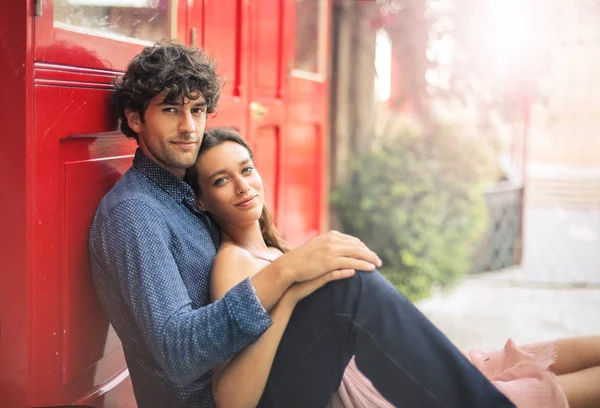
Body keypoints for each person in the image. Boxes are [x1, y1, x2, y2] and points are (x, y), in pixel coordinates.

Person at [89, 41, 515, 407]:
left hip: (259, 371)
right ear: (135, 118)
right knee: (349, 291)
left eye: (198, 110)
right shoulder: (136, 212)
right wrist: (288, 272)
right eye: (170, 110)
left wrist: (295, 276)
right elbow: (178, 351)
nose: (190, 127)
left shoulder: (184, 196)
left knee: (341, 276)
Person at [186, 127, 600, 408]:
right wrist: (292, 292)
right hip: (329, 390)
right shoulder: (232, 262)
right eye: (221, 181)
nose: (242, 185)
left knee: (510, 364)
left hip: (355, 373)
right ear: (202, 200)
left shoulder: (275, 250)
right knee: (510, 387)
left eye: (246, 169)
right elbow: (233, 398)